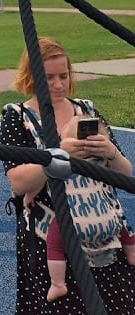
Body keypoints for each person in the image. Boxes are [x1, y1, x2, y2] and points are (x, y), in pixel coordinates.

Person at [0, 37, 135, 312]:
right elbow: (18, 181)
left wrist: (110, 152)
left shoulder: (87, 112)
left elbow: (125, 175)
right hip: (51, 244)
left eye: (63, 76)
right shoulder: (18, 117)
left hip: (101, 230)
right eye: (49, 77)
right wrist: (60, 155)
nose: (59, 84)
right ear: (31, 77)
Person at [26, 114, 135, 302]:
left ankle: (58, 284)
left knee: (54, 243)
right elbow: (124, 175)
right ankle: (131, 253)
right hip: (107, 219)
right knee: (123, 224)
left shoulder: (60, 164)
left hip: (74, 222)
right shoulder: (101, 161)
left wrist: (29, 195)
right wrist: (110, 152)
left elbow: (42, 179)